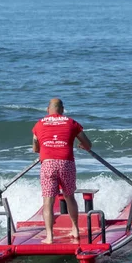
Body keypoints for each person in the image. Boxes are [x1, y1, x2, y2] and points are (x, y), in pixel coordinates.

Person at [32, 98, 92, 243]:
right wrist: (83, 146)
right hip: (66, 163)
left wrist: (42, 148)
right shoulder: (71, 122)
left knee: (48, 201)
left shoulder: (39, 124)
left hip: (48, 164)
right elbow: (88, 143)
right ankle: (75, 229)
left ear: (48, 109)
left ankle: (49, 236)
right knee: (69, 196)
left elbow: (35, 147)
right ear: (63, 109)